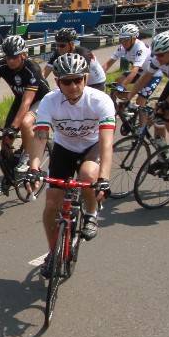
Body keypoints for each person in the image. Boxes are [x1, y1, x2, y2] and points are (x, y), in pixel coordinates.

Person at [28, 54, 114, 272]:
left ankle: (91, 214)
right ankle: (52, 253)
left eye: (78, 79)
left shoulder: (100, 101)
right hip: (64, 148)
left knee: (88, 174)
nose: (74, 86)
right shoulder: (49, 101)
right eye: (67, 81)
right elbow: (41, 136)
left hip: (92, 146)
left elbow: (106, 143)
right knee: (51, 204)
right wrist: (34, 167)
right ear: (57, 82)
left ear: (86, 78)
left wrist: (104, 178)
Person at [0, 34, 48, 185]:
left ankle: (26, 158)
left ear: (23, 55)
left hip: (40, 100)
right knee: (5, 141)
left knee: (25, 123)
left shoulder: (32, 69)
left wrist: (13, 127)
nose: (10, 60)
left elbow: (27, 102)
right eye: (7, 57)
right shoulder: (2, 66)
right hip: (20, 99)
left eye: (14, 57)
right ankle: (11, 174)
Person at [103, 23, 160, 105]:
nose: (123, 42)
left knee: (140, 101)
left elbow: (135, 70)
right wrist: (97, 77)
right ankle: (126, 104)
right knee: (117, 82)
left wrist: (123, 86)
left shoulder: (140, 49)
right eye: (121, 39)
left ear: (134, 38)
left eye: (126, 39)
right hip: (141, 72)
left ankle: (142, 111)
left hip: (153, 75)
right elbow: (108, 64)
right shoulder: (122, 48)